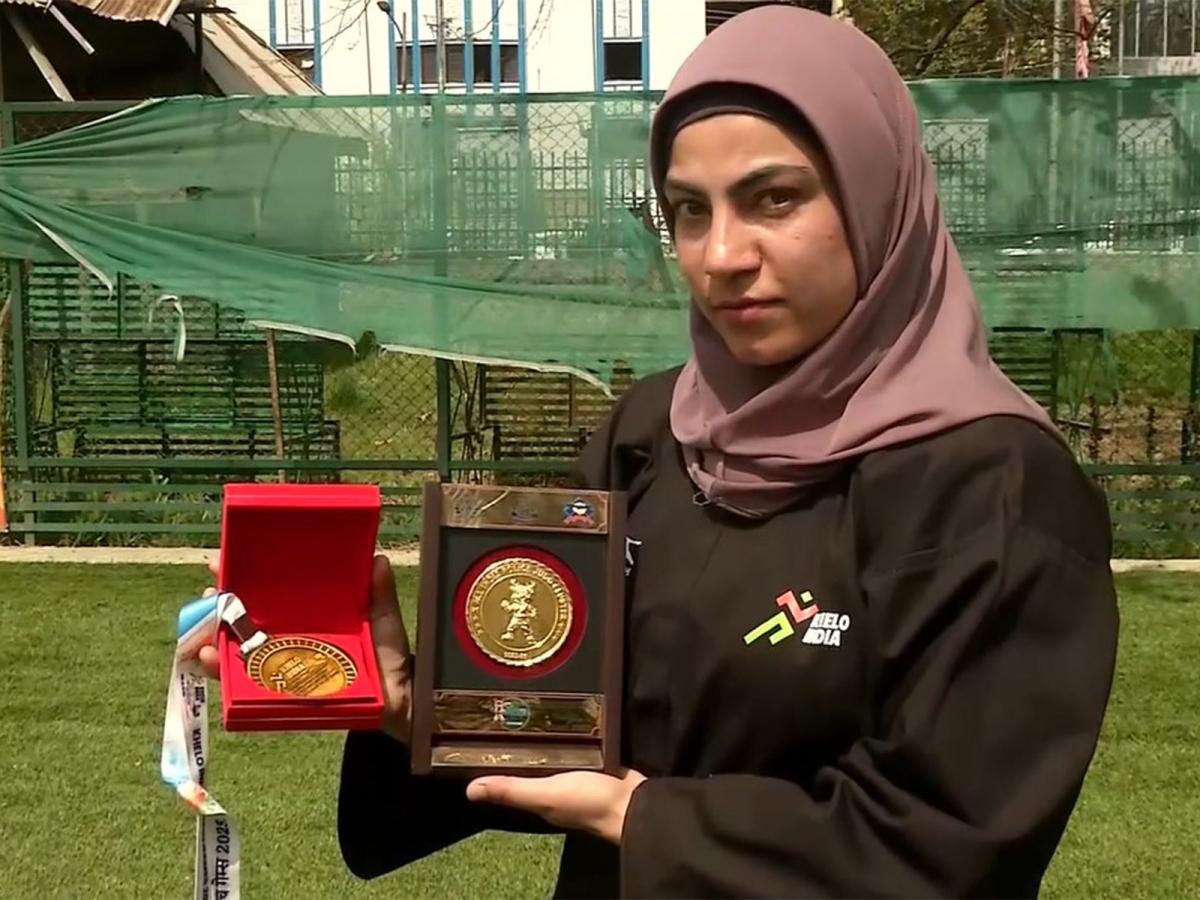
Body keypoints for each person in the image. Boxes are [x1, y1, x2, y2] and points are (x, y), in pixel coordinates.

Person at [201, 6, 1119, 897]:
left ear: (878, 196)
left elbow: (952, 845)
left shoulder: (994, 490)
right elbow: (564, 722)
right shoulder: (651, 436)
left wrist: (651, 821)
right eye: (688, 209)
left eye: (774, 198)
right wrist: (421, 709)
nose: (721, 256)